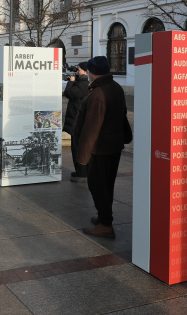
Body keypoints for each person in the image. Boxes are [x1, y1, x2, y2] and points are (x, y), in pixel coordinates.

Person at [73, 56, 128, 239]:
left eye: (88, 71)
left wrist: (82, 156)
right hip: (112, 146)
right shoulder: (115, 87)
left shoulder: (98, 94)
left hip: (99, 149)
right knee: (107, 184)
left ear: (92, 72)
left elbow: (91, 129)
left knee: (98, 186)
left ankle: (105, 224)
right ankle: (105, 217)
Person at [63, 62, 90, 183]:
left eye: (79, 70)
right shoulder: (82, 82)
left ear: (84, 71)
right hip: (76, 117)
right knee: (75, 147)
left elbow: (68, 93)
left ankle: (83, 173)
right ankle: (79, 171)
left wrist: (71, 81)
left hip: (77, 118)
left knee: (77, 147)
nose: (77, 71)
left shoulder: (83, 84)